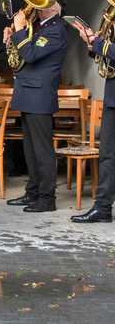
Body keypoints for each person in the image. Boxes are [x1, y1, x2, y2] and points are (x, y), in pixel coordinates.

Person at [3, 0, 67, 213]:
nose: (37, 7)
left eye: (43, 2)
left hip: (40, 96)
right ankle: (33, 192)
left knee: (42, 151)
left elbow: (31, 55)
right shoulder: (38, 27)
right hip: (28, 93)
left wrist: (20, 30)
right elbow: (20, 57)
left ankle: (47, 198)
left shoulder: (56, 30)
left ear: (55, 7)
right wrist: (12, 37)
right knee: (30, 150)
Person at [70, 20, 115, 223]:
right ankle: (102, 208)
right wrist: (92, 45)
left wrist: (96, 42)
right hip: (112, 98)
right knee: (107, 156)